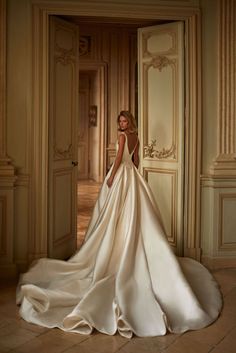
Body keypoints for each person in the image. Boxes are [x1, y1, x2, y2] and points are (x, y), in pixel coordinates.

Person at [16, 111, 222, 338]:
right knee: (132, 216)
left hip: (122, 176)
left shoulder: (124, 136)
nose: (122, 124)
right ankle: (127, 247)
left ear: (129, 122)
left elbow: (118, 161)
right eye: (120, 122)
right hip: (133, 177)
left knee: (114, 216)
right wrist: (128, 170)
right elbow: (135, 161)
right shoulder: (136, 137)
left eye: (124, 121)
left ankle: (117, 251)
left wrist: (111, 176)